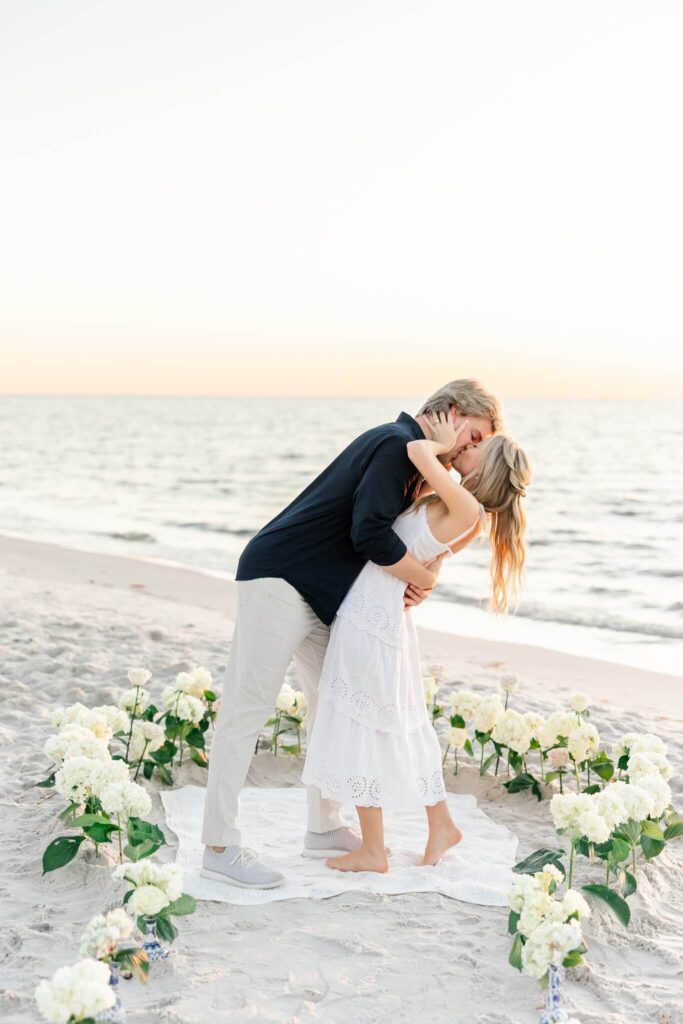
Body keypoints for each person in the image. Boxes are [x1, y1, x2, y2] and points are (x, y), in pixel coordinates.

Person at [201, 380, 501, 889]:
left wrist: (426, 574)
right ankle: (219, 846)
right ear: (450, 413)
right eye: (472, 438)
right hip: (280, 579)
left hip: (321, 597)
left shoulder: (412, 460)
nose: (470, 452)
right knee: (245, 711)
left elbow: (414, 533)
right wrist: (422, 578)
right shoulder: (395, 445)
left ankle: (322, 827)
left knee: (338, 706)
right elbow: (370, 534)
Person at [302, 412, 531, 872]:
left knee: (365, 726)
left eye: (477, 446)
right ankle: (441, 823)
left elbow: (414, 450)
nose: (466, 446)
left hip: (372, 619)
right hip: (380, 616)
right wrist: (424, 583)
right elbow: (430, 564)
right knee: (396, 722)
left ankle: (372, 849)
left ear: (486, 468)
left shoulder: (466, 508)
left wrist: (440, 442)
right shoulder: (462, 509)